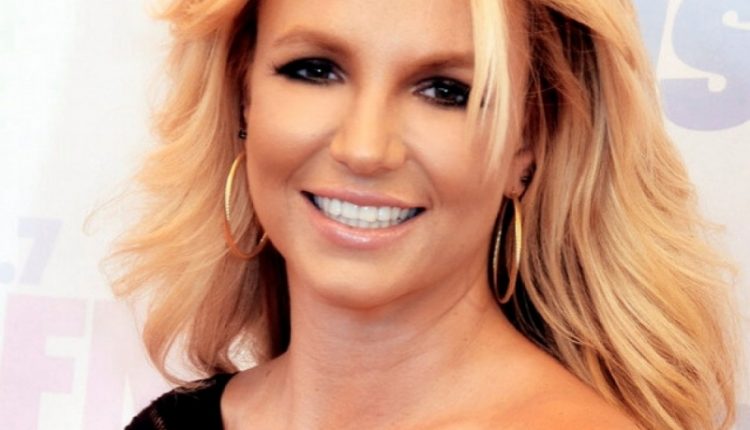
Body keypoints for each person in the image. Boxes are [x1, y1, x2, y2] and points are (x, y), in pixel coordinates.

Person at [114, 0, 739, 429]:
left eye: (445, 91)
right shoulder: (179, 423)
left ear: (526, 145)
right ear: (244, 95)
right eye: (315, 70)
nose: (364, 149)